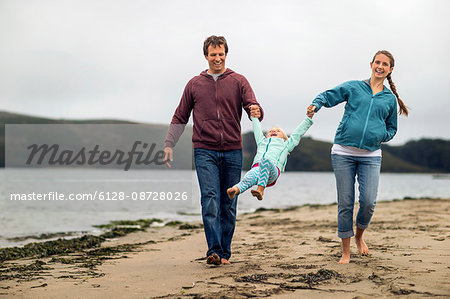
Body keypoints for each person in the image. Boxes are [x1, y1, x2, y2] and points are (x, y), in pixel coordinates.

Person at [163, 35, 263, 265]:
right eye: (213, 54)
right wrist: (169, 144)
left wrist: (256, 110)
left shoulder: (239, 81)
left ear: (226, 54)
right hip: (204, 150)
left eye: (221, 54)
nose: (217, 58)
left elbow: (252, 105)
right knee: (210, 199)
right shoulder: (194, 84)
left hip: (232, 150)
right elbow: (180, 115)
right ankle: (214, 251)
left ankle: (225, 253)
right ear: (206, 56)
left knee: (228, 203)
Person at [308, 50, 408, 264]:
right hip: (343, 153)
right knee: (345, 202)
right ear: (371, 64)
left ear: (390, 69)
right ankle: (345, 251)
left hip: (371, 155)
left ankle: (360, 237)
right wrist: (316, 104)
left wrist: (379, 135)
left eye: (385, 64)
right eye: (377, 62)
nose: (380, 66)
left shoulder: (389, 99)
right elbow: (329, 95)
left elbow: (392, 129)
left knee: (368, 202)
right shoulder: (355, 87)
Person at [227, 111, 313, 201]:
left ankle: (260, 190)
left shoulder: (286, 144)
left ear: (284, 138)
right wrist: (254, 118)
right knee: (249, 177)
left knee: (265, 161)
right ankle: (235, 190)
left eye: (278, 131)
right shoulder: (262, 142)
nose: (273, 131)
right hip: (257, 169)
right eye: (271, 131)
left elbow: (297, 134)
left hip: (272, 171)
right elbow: (257, 130)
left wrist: (308, 119)